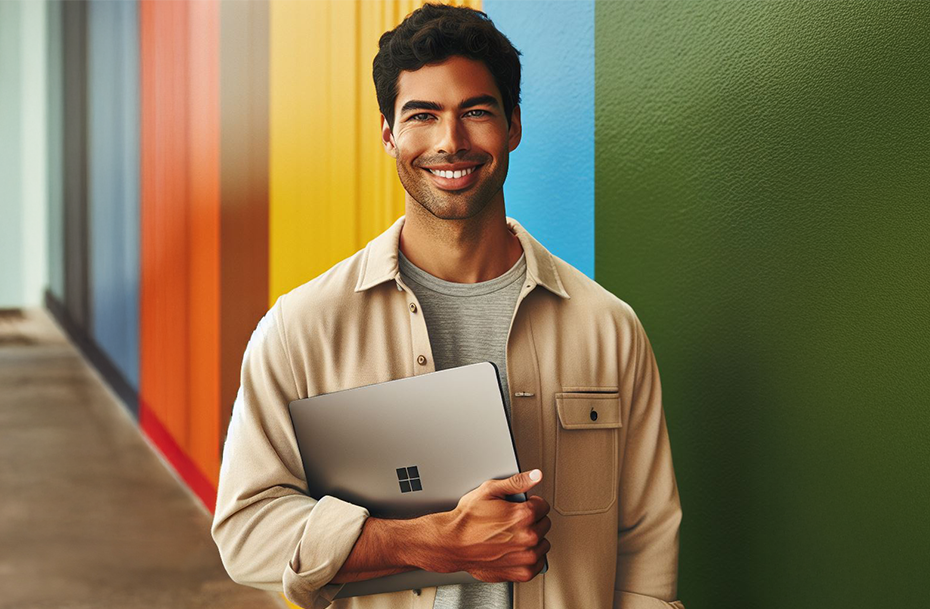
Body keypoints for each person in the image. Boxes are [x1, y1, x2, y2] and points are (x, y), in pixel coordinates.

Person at [211, 4, 684, 609]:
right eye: (423, 116)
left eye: (476, 112)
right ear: (389, 134)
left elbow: (646, 546)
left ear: (513, 126)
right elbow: (246, 532)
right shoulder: (302, 329)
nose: (450, 142)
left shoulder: (608, 329)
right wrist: (425, 542)